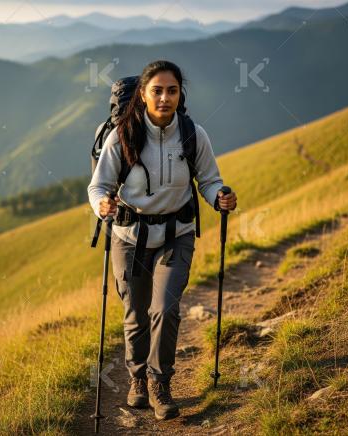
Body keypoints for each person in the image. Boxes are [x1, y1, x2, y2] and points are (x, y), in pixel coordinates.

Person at [87, 59, 237, 420]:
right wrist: (101, 204)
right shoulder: (121, 135)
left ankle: (160, 383)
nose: (165, 97)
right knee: (136, 313)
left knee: (165, 309)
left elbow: (209, 179)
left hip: (176, 235)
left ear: (179, 93)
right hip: (129, 237)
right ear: (142, 94)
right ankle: (137, 379)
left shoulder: (192, 133)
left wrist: (219, 196)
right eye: (157, 90)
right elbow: (99, 186)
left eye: (172, 90)